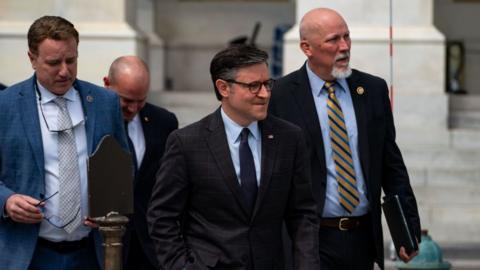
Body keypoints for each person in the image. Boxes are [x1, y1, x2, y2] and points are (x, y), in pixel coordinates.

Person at [269, 8, 421, 270]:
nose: (344, 47)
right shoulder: (280, 95)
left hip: (362, 238)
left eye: (347, 37)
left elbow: (391, 164)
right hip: (309, 240)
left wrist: (407, 230)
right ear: (307, 47)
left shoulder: (372, 89)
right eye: (333, 40)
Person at [147, 45, 320, 270]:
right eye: (253, 86)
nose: (265, 94)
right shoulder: (187, 143)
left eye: (267, 84)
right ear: (223, 88)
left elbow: (303, 214)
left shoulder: (289, 138)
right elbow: (162, 217)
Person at [0, 16, 128, 270]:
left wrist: (110, 204)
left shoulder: (104, 103)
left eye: (71, 60)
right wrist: (6, 201)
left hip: (91, 253)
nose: (64, 71)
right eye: (53, 62)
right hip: (28, 254)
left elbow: (123, 167)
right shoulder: (6, 105)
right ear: (32, 58)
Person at [103, 55, 178, 270]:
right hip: (104, 242)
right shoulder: (92, 120)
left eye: (141, 100)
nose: (134, 108)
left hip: (149, 245)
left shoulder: (164, 122)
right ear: (107, 84)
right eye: (126, 100)